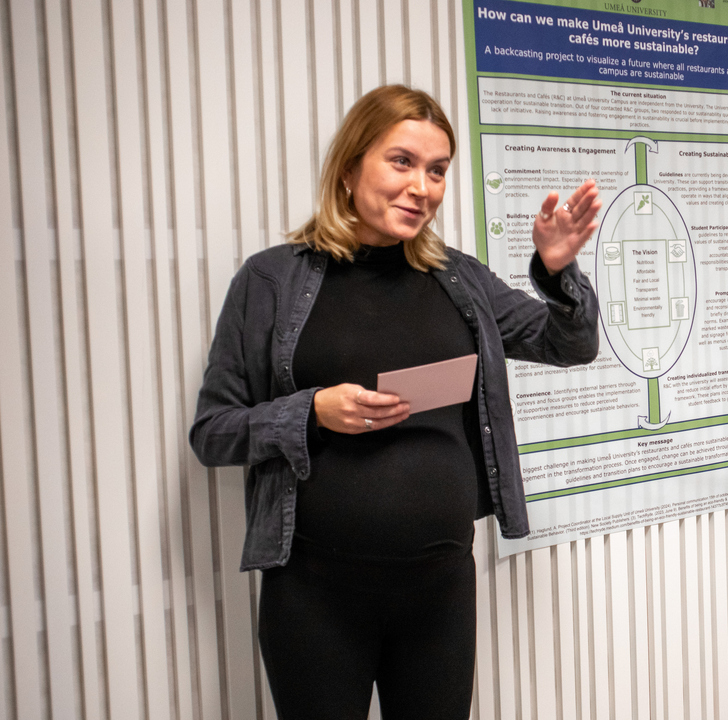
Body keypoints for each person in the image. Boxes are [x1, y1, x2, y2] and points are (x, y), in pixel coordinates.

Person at [189, 84, 601, 719]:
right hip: (315, 595)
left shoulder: (459, 278)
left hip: (438, 588)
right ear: (352, 166)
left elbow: (566, 346)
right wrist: (311, 410)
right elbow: (213, 431)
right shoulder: (270, 280)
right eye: (402, 162)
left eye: (437, 171)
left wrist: (556, 273)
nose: (423, 188)